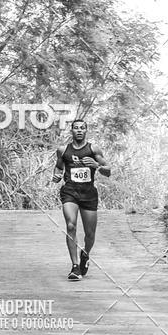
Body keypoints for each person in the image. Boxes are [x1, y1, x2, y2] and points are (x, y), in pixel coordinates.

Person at [52, 119, 111, 280]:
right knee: (71, 225)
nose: (79, 130)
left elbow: (108, 171)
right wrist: (56, 175)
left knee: (90, 234)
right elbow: (58, 166)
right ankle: (75, 267)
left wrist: (96, 166)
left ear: (86, 131)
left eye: (82, 128)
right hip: (70, 192)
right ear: (71, 131)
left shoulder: (93, 149)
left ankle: (85, 254)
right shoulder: (63, 150)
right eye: (76, 128)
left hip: (89, 194)